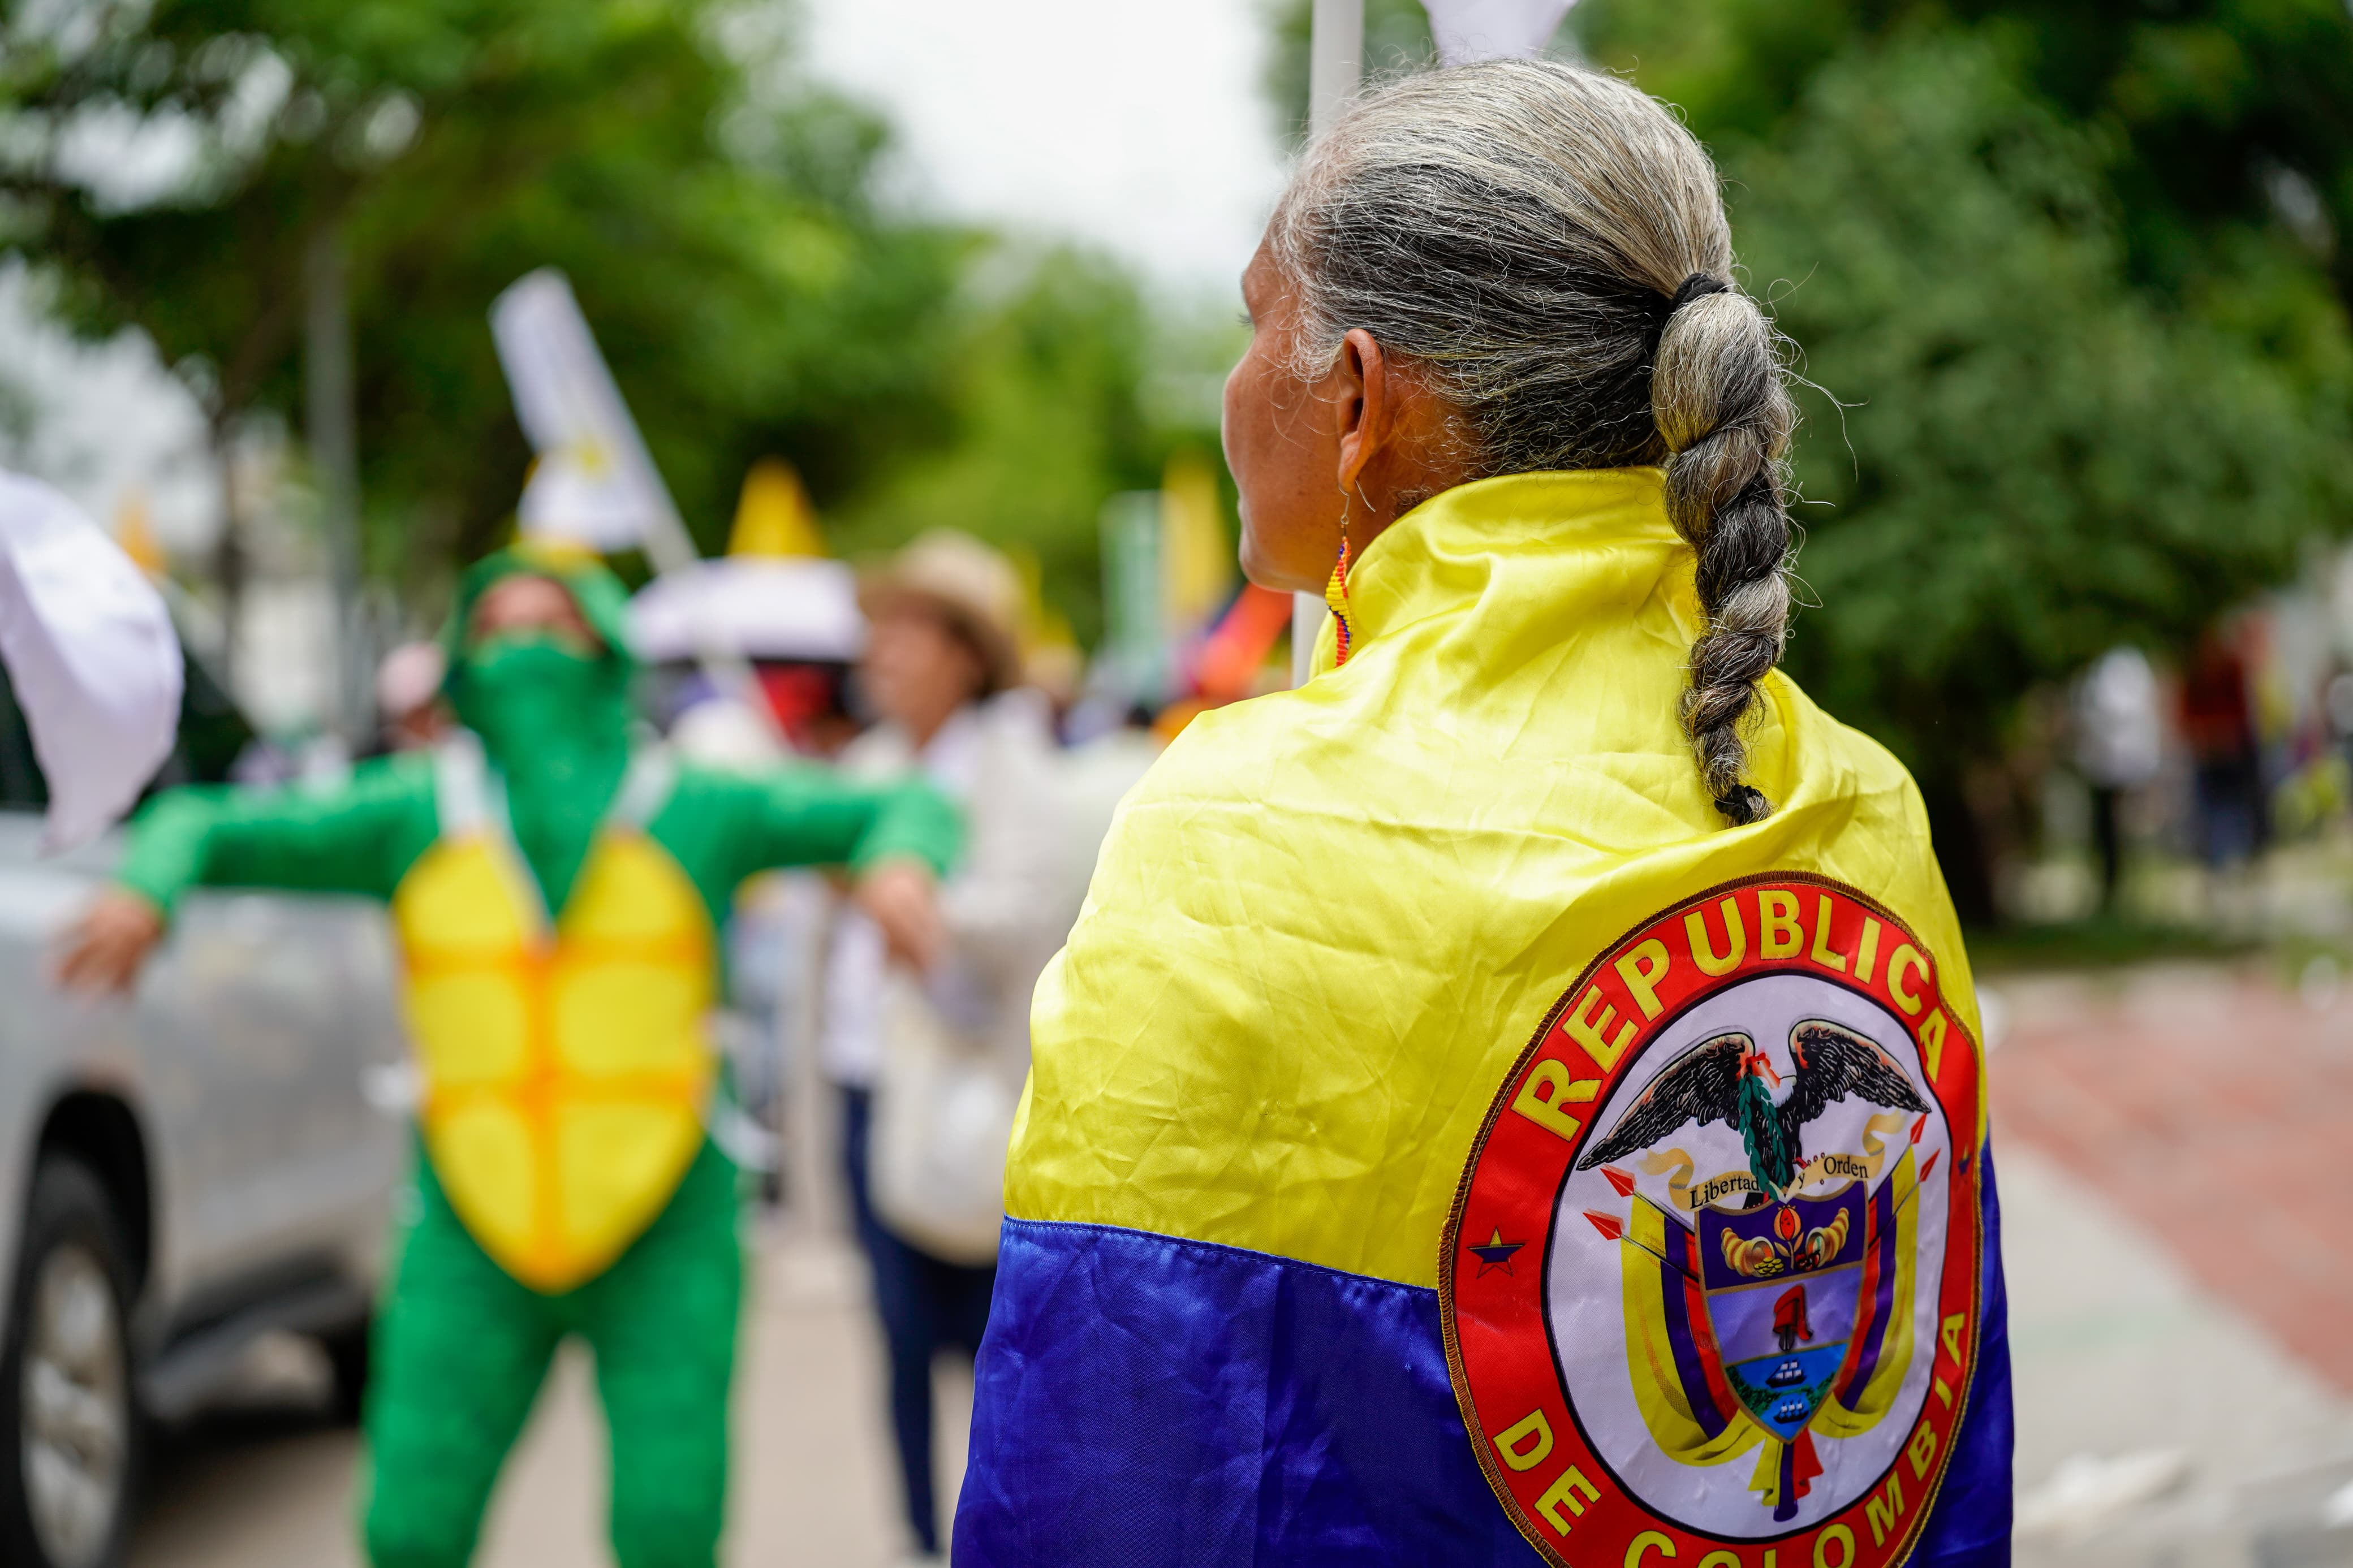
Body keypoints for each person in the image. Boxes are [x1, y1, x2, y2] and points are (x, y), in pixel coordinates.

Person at [957, 61, 2011, 1567]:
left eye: (1260, 319)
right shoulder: (1863, 803)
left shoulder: (1238, 833)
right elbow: (1937, 1442)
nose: (1234, 381)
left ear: (1363, 398)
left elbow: (1121, 1462)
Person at [57, 542, 959, 1568]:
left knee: (671, 1524)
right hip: (469, 1216)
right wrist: (146, 887)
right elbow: (203, 821)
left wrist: (899, 867)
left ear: (605, 650)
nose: (526, 653)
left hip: (670, 1208)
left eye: (554, 627)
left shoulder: (701, 808)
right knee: (411, 1525)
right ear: (462, 660)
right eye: (499, 630)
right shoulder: (410, 813)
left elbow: (905, 805)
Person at [819, 530, 1075, 1565]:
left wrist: (921, 909)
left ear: (968, 650)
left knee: (987, 1337)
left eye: (911, 631)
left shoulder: (1014, 763)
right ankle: (919, 1537)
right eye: (882, 630)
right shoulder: (867, 766)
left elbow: (1031, 909)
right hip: (863, 1082)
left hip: (969, 1089)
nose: (885, 652)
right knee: (890, 1336)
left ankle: (997, 1532)